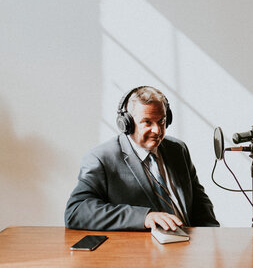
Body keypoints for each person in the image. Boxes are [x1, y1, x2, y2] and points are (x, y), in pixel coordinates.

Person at [65, 86, 219, 231]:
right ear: (127, 124)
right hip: (143, 253)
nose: (157, 130)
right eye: (147, 122)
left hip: (189, 246)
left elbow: (199, 201)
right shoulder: (101, 158)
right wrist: (144, 217)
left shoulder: (178, 149)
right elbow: (76, 211)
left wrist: (211, 236)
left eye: (162, 121)